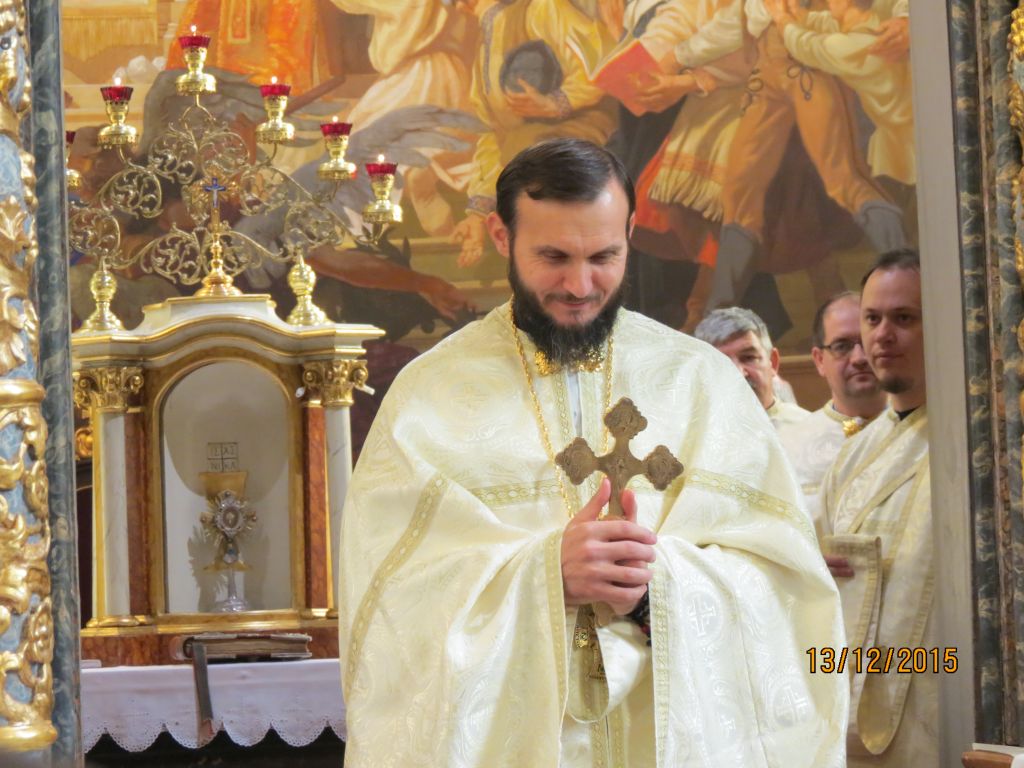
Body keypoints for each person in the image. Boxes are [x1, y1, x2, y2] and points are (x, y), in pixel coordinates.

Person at [338, 138, 847, 765]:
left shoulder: (701, 383)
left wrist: (653, 590)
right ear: (501, 236)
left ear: (630, 233)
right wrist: (543, 573)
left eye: (604, 256)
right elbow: (386, 604)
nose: (580, 286)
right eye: (553, 256)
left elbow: (791, 589)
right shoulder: (428, 395)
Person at [819, 249, 935, 767]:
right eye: (873, 319)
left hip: (944, 689)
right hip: (851, 694)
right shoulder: (852, 456)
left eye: (904, 318)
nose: (883, 335)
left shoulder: (981, 441)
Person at [778, 292, 886, 527]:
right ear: (819, 360)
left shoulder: (924, 435)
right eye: (842, 346)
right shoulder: (784, 447)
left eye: (867, 342)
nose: (858, 358)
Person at [693, 306, 810, 428]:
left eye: (748, 358)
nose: (739, 373)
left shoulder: (811, 430)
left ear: (773, 362)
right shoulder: (690, 435)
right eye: (722, 362)